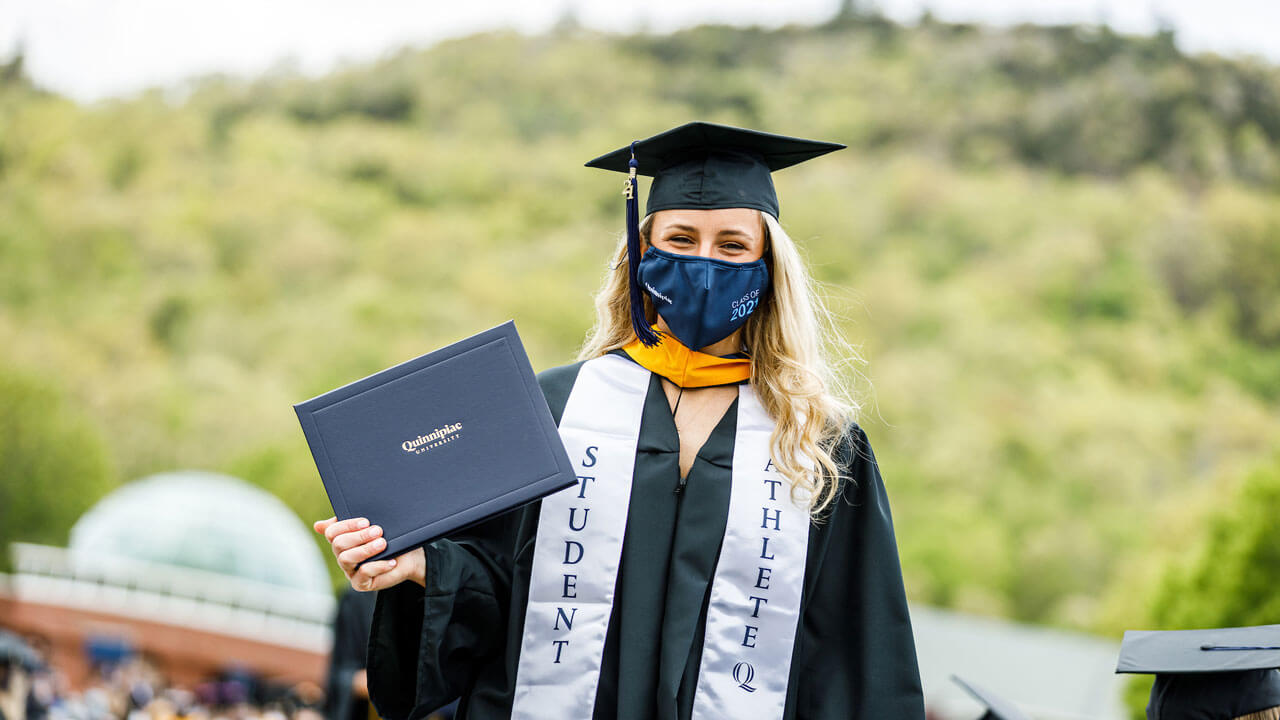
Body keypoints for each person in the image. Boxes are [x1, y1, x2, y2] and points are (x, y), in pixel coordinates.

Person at [314, 122, 926, 719]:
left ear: (769, 271)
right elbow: (501, 586)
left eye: (733, 246)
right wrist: (422, 568)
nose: (703, 263)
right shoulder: (555, 409)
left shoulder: (816, 444)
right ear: (641, 254)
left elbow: (858, 647)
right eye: (680, 240)